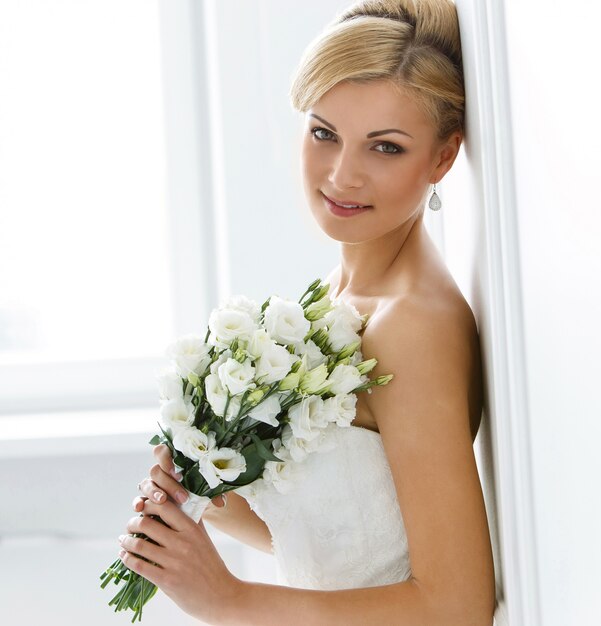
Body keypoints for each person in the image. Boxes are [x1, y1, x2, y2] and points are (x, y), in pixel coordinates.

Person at [117, 0, 497, 623]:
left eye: (386, 147)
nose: (342, 175)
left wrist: (228, 599)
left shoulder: (412, 324)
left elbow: (458, 604)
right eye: (325, 133)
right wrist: (203, 495)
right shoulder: (337, 299)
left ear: (443, 157)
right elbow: (359, 543)